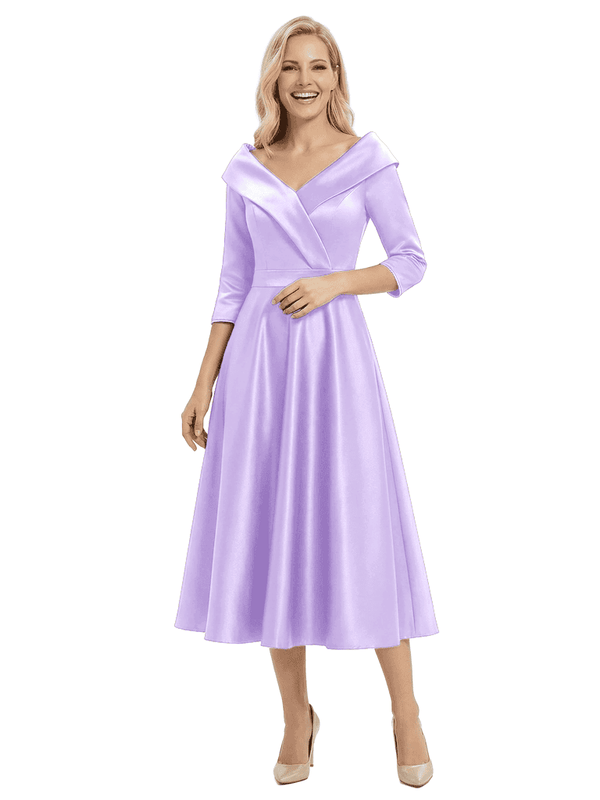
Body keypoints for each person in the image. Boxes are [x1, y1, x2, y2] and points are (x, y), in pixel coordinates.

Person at [175, 15, 439, 788]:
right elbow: (232, 281)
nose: (305, 80)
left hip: (335, 362)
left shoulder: (366, 161)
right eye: (292, 66)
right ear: (273, 77)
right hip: (259, 366)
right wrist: (203, 380)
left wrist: (335, 283)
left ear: (336, 77)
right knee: (269, 533)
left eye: (319, 66)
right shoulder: (246, 169)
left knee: (363, 525)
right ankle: (297, 717)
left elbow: (411, 260)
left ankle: (406, 712)